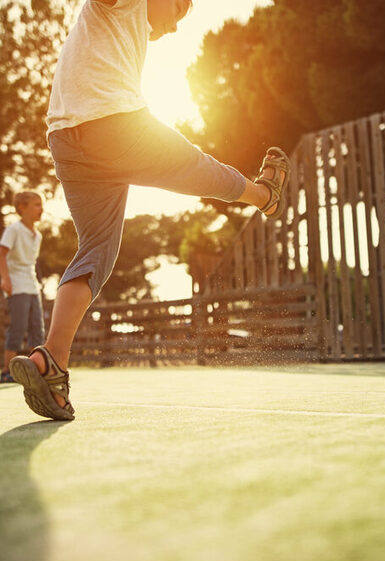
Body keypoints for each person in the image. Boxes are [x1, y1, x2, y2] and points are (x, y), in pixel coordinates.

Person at [10, 0, 291, 420]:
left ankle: (51, 361)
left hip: (66, 137)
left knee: (96, 252)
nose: (176, 27)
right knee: (195, 167)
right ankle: (263, 195)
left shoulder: (128, 28)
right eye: (178, 11)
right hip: (114, 123)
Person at [1, 191, 45, 383]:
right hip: (17, 285)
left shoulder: (38, 235)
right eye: (36, 204)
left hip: (32, 285)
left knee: (38, 327)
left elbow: (32, 262)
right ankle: (6, 371)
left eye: (41, 204)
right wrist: (6, 279)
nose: (40, 209)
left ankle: (35, 369)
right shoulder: (14, 230)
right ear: (22, 208)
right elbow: (2, 254)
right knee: (18, 327)